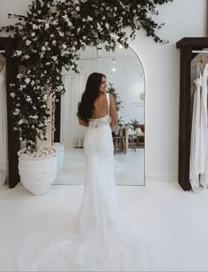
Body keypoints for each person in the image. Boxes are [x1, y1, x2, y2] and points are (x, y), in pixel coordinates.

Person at [18, 72, 151, 271]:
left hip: (91, 138)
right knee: (104, 176)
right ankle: (106, 215)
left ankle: (92, 216)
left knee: (93, 177)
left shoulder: (86, 99)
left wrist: (94, 125)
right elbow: (115, 121)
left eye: (106, 82)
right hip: (104, 138)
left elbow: (81, 121)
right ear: (96, 84)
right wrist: (105, 128)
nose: (106, 85)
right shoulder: (109, 98)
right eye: (103, 82)